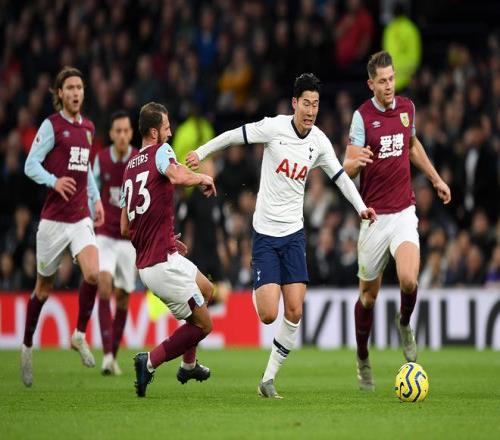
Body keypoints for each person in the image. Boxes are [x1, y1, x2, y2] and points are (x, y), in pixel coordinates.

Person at [186, 73, 377, 398]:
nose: (311, 110)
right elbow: (233, 136)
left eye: (316, 104)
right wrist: (201, 152)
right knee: (268, 314)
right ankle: (259, 287)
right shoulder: (274, 128)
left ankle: (268, 379)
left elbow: (341, 177)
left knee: (295, 310)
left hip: (294, 234)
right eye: (306, 104)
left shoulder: (318, 141)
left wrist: (361, 207)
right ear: (294, 103)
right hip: (265, 233)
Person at [343, 51, 451, 391]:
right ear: (371, 84)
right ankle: (363, 356)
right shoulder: (362, 117)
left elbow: (412, 145)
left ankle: (404, 323)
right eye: (382, 81)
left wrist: (435, 179)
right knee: (367, 298)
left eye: (391, 79)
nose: (389, 85)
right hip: (374, 217)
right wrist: (357, 162)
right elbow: (345, 167)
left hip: (404, 211)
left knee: (408, 280)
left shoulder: (407, 109)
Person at [121, 102, 217, 398]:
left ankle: (188, 366)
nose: (170, 133)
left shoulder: (129, 167)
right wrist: (202, 177)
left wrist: (161, 234)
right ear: (154, 132)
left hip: (158, 257)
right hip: (161, 264)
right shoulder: (161, 151)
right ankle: (149, 361)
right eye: (166, 128)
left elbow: (125, 226)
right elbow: (177, 176)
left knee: (207, 289)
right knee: (204, 325)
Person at [21, 66, 105, 387]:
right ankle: (27, 347)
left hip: (80, 216)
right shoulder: (52, 126)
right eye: (69, 87)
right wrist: (54, 181)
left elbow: (86, 171)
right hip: (53, 222)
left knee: (93, 274)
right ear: (60, 93)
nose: (75, 92)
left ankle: (79, 334)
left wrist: (96, 199)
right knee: (43, 290)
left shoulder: (88, 127)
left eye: (79, 87)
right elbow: (30, 165)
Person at [93, 111, 138, 375]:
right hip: (105, 235)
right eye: (117, 131)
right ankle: (107, 355)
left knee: (122, 298)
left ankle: (113, 355)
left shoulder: (138, 160)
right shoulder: (100, 160)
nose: (121, 135)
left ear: (131, 134)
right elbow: (91, 192)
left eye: (125, 131)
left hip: (128, 239)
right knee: (104, 284)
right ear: (111, 134)